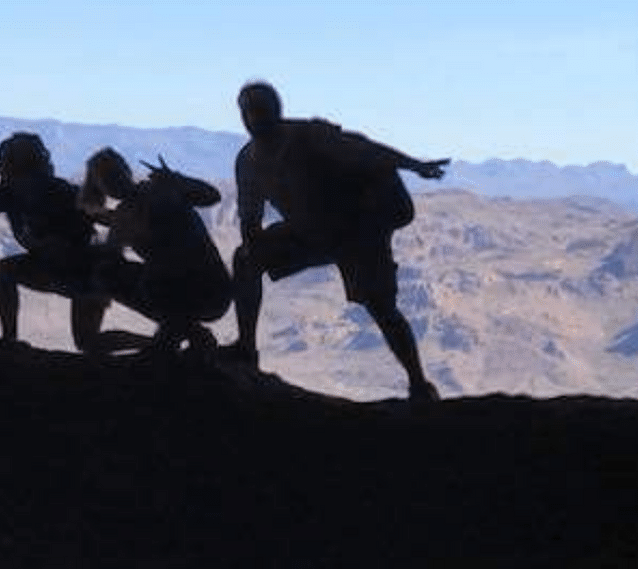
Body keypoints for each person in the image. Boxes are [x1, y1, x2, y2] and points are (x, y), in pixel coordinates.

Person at [226, 80, 447, 403]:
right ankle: (247, 349)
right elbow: (249, 212)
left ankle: (418, 384)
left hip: (356, 232)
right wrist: (253, 246)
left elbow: (367, 154)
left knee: (382, 307)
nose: (254, 117)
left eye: (260, 109)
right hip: (307, 233)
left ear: (276, 110)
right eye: (248, 111)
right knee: (244, 260)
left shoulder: (309, 137)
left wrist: (415, 165)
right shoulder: (248, 160)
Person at [78, 147, 232, 355]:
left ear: (126, 169)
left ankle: (184, 332)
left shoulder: (158, 193)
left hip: (204, 291)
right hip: (210, 292)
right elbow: (211, 196)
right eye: (106, 178)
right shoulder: (149, 198)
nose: (113, 181)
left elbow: (212, 197)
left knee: (116, 276)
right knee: (127, 276)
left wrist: (177, 179)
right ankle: (187, 331)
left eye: (113, 173)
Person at [0, 131, 117, 352]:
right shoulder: (9, 194)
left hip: (87, 279)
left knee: (87, 342)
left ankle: (156, 345)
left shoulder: (64, 194)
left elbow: (104, 217)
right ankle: (9, 342)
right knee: (5, 271)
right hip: (58, 272)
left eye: (4, 164)